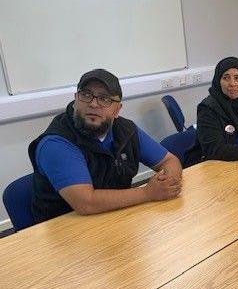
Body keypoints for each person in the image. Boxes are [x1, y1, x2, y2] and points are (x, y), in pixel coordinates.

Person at [28, 69, 182, 224]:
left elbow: (169, 160)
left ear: (117, 110)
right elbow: (85, 202)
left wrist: (168, 183)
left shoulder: (126, 130)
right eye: (86, 95)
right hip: (66, 232)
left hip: (116, 219)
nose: (94, 104)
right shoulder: (57, 143)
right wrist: (147, 193)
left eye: (104, 99)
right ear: (76, 100)